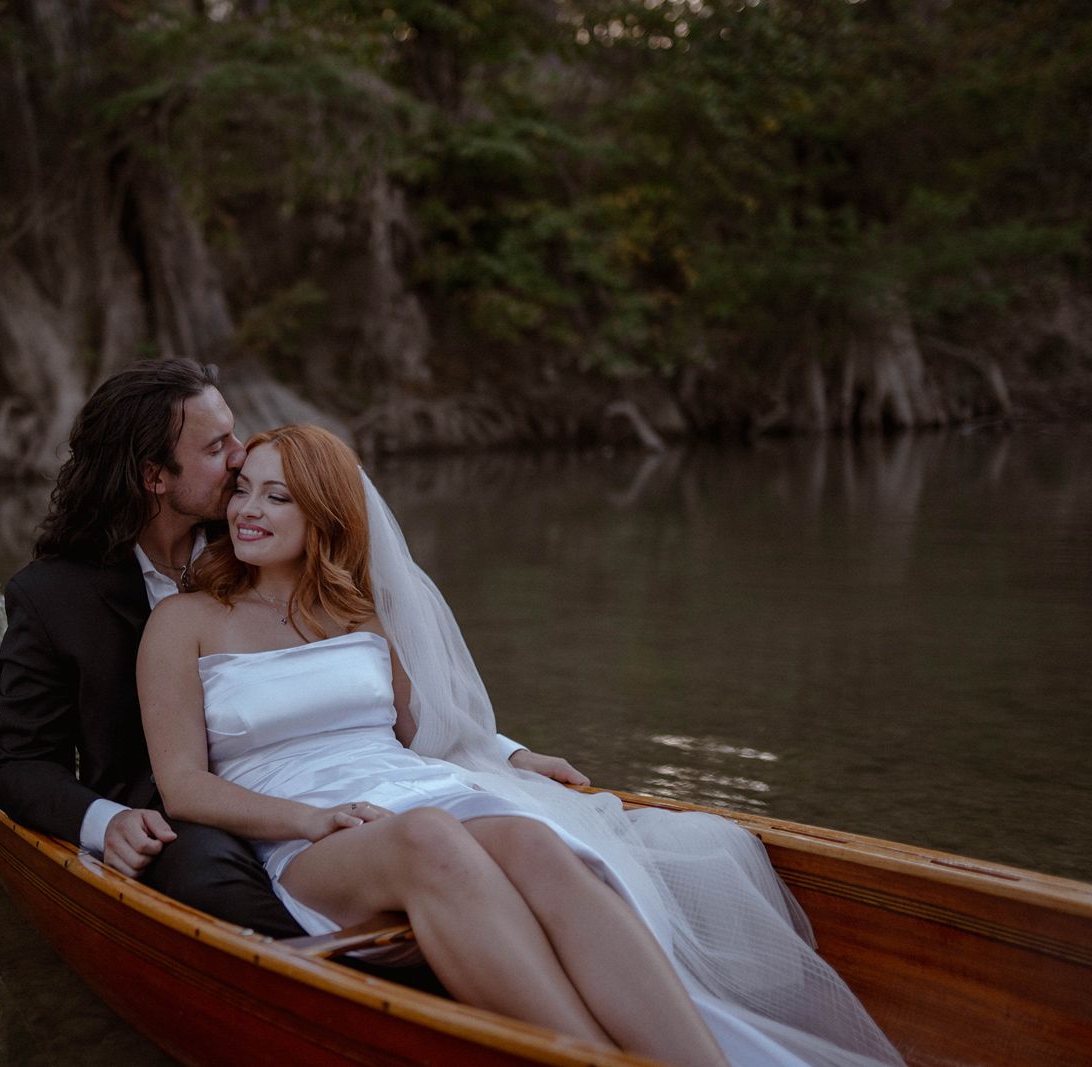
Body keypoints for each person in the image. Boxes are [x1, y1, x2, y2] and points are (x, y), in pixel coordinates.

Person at [137, 424, 905, 1067]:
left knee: (539, 843)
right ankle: (585, 1057)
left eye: (278, 496)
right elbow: (183, 785)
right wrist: (312, 819)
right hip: (312, 829)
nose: (248, 508)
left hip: (416, 789)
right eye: (244, 488)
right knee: (432, 837)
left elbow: (436, 729)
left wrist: (511, 757)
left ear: (325, 514)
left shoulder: (358, 614)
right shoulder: (187, 620)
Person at [0, 359, 578, 938]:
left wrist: (504, 755)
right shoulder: (53, 596)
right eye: (217, 447)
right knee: (207, 873)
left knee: (502, 830)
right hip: (178, 813)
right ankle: (338, 986)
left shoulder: (258, 529)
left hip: (330, 786)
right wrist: (105, 821)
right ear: (154, 476)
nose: (241, 454)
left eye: (234, 434)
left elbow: (350, 674)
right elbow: (22, 766)